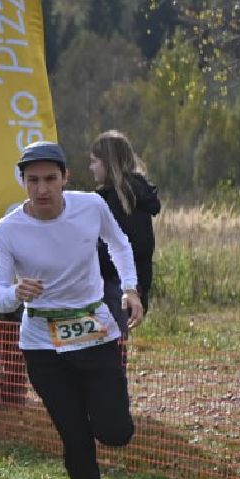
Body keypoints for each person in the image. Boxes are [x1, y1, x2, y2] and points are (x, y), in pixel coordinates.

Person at [0, 142, 143, 479]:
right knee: (75, 439)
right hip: (42, 346)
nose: (42, 189)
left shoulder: (90, 207)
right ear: (22, 181)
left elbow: (120, 244)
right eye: (33, 180)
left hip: (95, 334)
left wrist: (130, 288)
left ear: (65, 178)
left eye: (50, 179)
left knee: (115, 431)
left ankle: (99, 420)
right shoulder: (7, 230)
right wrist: (17, 293)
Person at [89, 130, 160, 340]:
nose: (91, 167)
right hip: (123, 288)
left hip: (116, 290)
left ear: (108, 163)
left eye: (94, 161)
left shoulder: (121, 200)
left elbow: (135, 247)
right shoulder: (132, 196)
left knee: (109, 351)